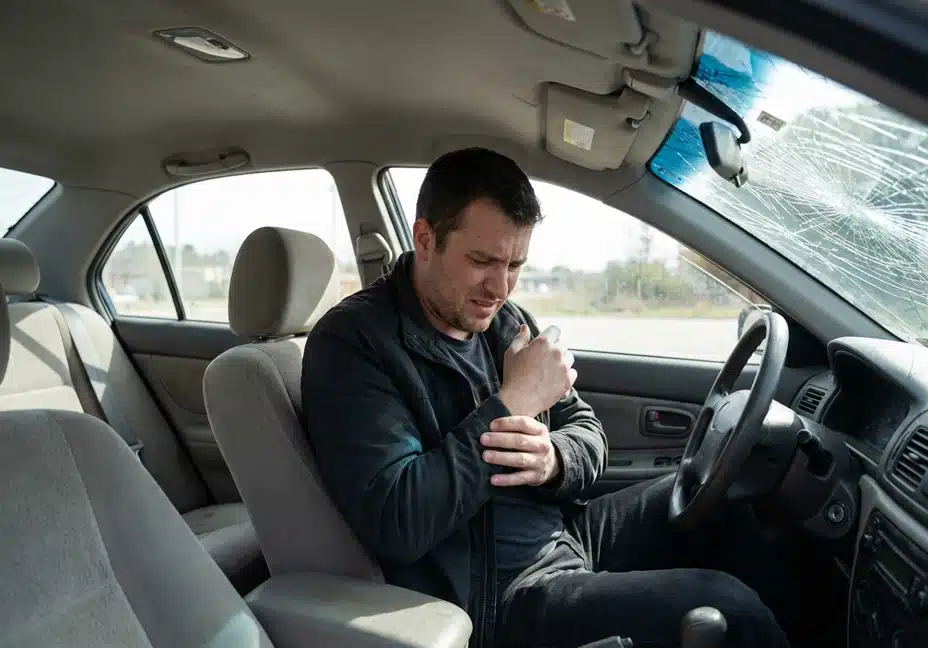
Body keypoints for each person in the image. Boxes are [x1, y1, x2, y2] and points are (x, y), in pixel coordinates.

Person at [301, 147, 790, 648]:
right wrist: (510, 405)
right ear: (425, 239)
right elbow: (397, 518)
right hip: (499, 598)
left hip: (565, 534)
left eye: (515, 263)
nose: (500, 285)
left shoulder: (506, 323)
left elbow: (588, 432)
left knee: (725, 501)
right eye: (482, 261)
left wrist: (554, 460)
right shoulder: (355, 343)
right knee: (728, 607)